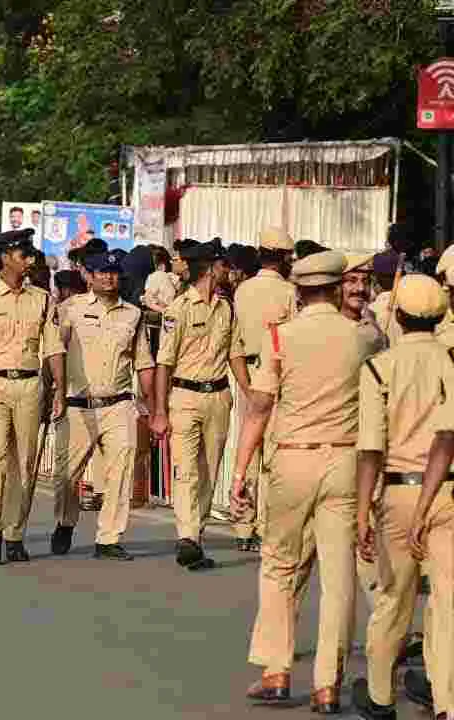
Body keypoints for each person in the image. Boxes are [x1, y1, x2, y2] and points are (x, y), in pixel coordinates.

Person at [230, 251, 368, 714]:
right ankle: (329, 683)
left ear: (298, 291)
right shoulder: (362, 338)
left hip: (292, 460)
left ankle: (276, 670)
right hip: (346, 460)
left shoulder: (281, 338)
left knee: (279, 565)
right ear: (334, 289)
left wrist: (241, 469)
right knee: (338, 576)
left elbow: (261, 406)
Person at [349, 274, 454, 720]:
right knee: (448, 602)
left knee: (394, 597)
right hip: (448, 490)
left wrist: (360, 512)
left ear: (399, 316)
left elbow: (371, 449)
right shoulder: (451, 363)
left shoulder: (379, 368)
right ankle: (447, 699)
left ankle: (379, 695)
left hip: (398, 491)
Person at [0, 231, 65, 565]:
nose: (29, 260)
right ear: (5, 257)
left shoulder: (43, 299)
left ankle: (14, 533)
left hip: (30, 385)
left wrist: (60, 387)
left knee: (26, 462)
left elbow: (54, 348)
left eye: (31, 254)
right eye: (23, 253)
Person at [49, 251, 154, 560]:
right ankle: (65, 522)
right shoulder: (70, 309)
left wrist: (154, 404)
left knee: (120, 470)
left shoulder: (133, 315)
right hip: (78, 404)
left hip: (118, 403)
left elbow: (143, 362)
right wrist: (49, 391)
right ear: (88, 276)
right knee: (66, 474)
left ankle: (108, 538)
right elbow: (54, 352)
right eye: (101, 272)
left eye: (114, 272)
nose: (109, 277)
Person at [150, 239, 239, 571]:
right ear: (212, 268)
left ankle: (195, 537)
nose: (228, 270)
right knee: (186, 470)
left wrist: (250, 392)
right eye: (224, 265)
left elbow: (234, 353)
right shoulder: (179, 309)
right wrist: (159, 411)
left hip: (218, 395)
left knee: (209, 470)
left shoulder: (227, 307)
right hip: (184, 396)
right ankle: (186, 536)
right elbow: (165, 363)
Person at [228, 227, 298, 552]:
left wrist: (244, 384)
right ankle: (263, 525)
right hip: (277, 375)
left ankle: (242, 526)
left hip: (247, 373)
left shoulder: (242, 290)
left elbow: (236, 343)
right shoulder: (288, 292)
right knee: (270, 453)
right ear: (284, 258)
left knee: (246, 447)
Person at [343, 253, 387, 355]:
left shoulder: (373, 320)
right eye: (352, 280)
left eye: (365, 281)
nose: (361, 288)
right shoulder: (332, 325)